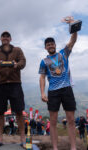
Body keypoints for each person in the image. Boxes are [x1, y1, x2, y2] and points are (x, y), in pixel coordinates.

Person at [39, 18, 77, 150]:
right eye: (48, 44)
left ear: (55, 45)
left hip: (66, 88)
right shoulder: (44, 61)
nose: (50, 45)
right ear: (45, 47)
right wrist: (43, 92)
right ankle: (54, 148)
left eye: (52, 44)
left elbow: (73, 41)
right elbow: (42, 77)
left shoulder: (63, 53)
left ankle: (73, 147)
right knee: (53, 122)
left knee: (71, 120)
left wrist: (73, 25)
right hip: (53, 92)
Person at [0, 31, 26, 148]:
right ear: (0, 38)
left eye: (7, 36)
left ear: (10, 38)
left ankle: (23, 138)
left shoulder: (17, 50)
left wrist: (16, 64)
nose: (5, 38)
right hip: (0, 84)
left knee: (19, 111)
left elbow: (23, 62)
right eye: (3, 36)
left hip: (15, 84)